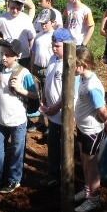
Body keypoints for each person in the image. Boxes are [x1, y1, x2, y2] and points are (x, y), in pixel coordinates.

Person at [0, 39, 37, 194]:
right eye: (3, 54)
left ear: (17, 56)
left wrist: (21, 90)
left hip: (17, 120)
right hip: (0, 119)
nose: (4, 57)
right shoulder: (1, 68)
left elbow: (35, 95)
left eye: (8, 55)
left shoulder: (24, 73)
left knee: (17, 151)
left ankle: (13, 180)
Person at [73, 46, 107, 212]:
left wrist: (104, 123)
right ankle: (87, 190)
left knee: (91, 164)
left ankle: (93, 198)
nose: (72, 66)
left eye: (75, 63)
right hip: (82, 128)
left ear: (84, 64)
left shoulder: (92, 86)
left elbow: (102, 111)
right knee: (84, 160)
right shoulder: (82, 79)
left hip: (92, 131)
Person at [38, 28, 75, 187]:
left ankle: (65, 179)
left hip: (63, 115)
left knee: (64, 148)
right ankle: (54, 175)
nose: (54, 48)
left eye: (57, 46)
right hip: (53, 113)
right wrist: (45, 100)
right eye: (53, 45)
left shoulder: (70, 63)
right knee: (53, 146)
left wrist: (54, 108)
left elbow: (69, 93)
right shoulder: (53, 59)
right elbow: (48, 81)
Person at [29, 8, 57, 132]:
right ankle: (41, 121)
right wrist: (31, 67)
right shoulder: (38, 36)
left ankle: (51, 123)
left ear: (53, 22)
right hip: (37, 68)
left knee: (49, 96)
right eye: (42, 23)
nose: (43, 25)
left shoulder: (55, 36)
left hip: (49, 70)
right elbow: (33, 53)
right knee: (39, 96)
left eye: (46, 22)